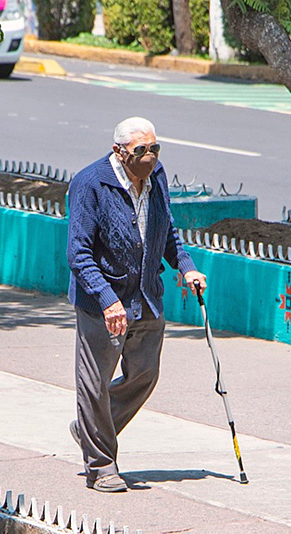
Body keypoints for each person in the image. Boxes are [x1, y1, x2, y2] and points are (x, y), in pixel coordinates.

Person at [67, 117, 207, 493]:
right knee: (94, 384)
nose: (150, 156)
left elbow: (166, 228)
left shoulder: (156, 176)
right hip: (103, 302)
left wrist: (187, 267)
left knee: (144, 374)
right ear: (119, 151)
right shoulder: (90, 183)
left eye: (154, 148)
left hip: (146, 294)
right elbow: (78, 253)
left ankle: (89, 428)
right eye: (141, 150)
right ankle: (101, 466)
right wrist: (107, 299)